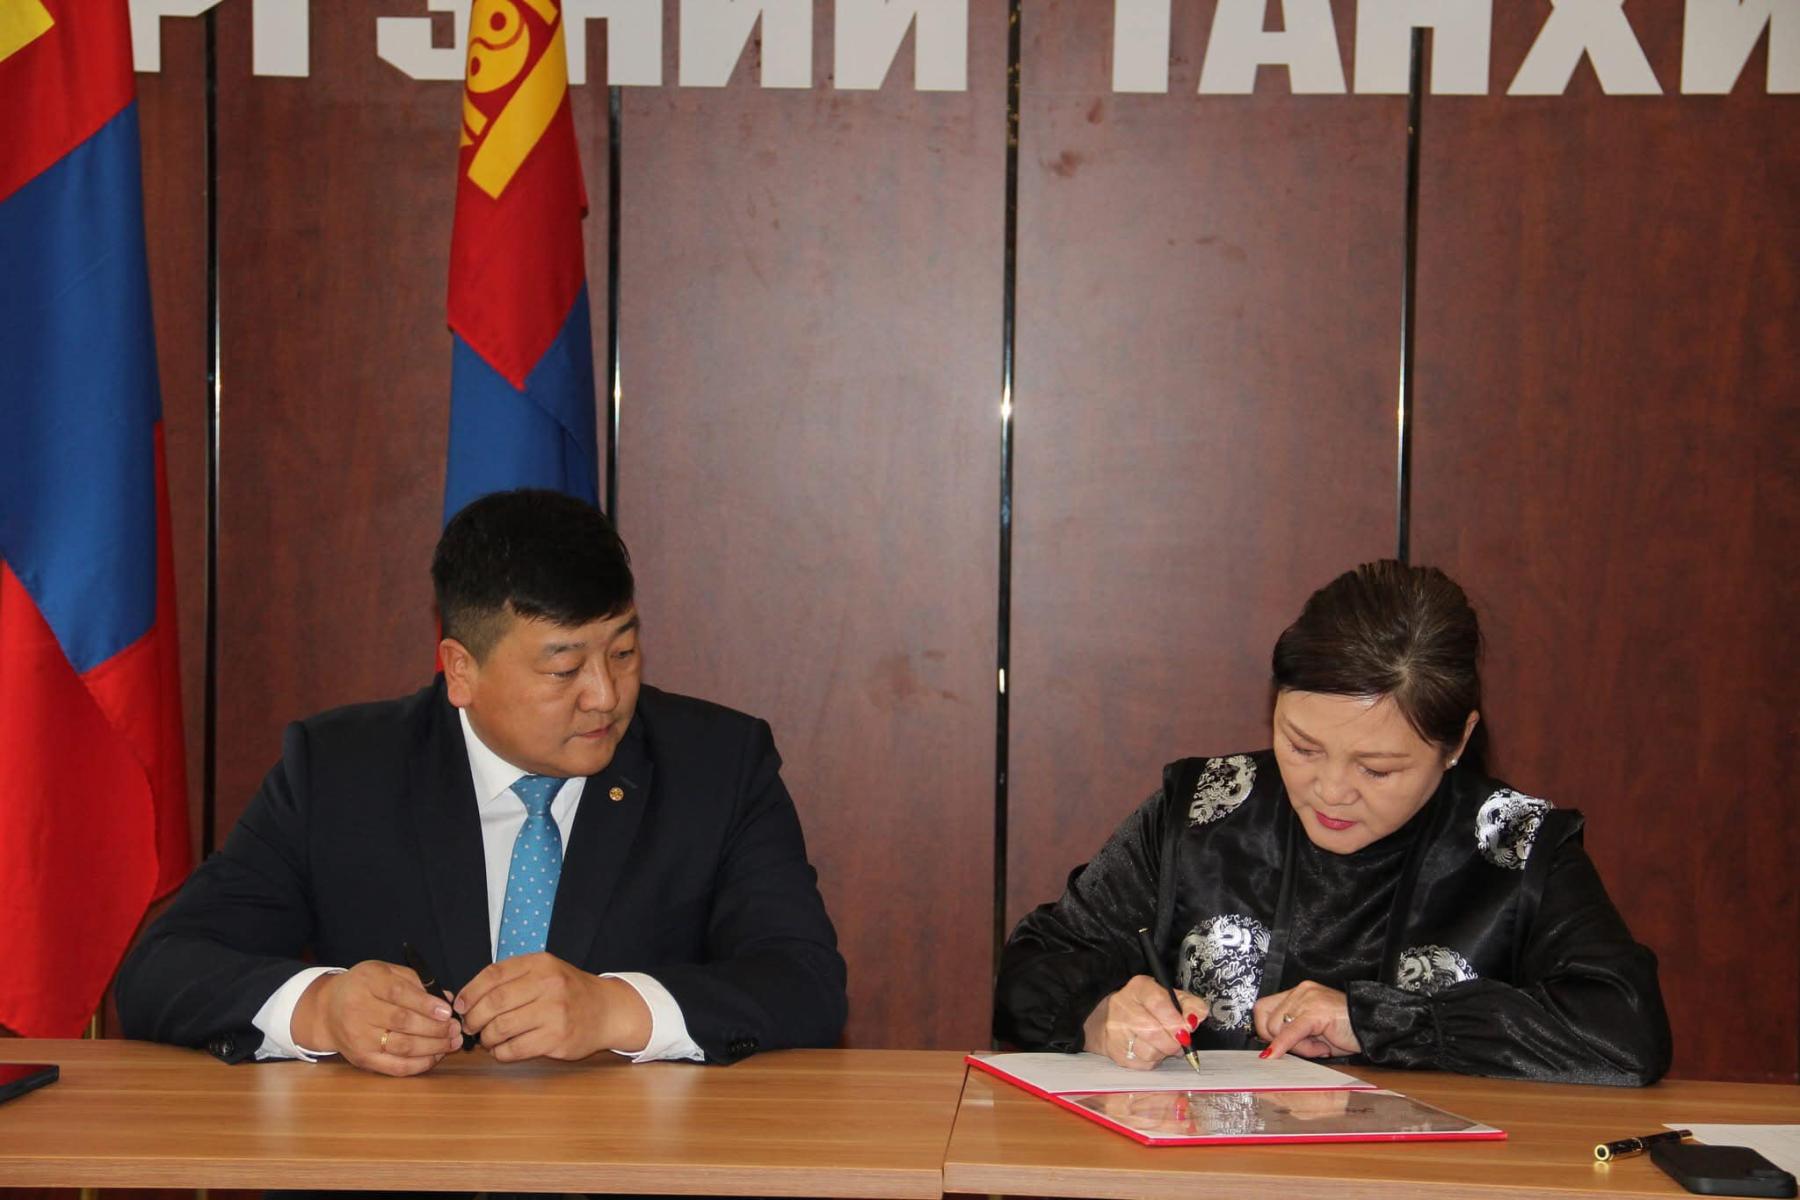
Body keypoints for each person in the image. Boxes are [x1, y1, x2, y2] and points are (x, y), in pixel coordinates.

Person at [118, 489, 847, 1075]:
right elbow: (162, 971)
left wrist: (617, 1010)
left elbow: (806, 982)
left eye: (623, 653)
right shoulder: (340, 770)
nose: (605, 695)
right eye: (564, 669)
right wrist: (323, 1009)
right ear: (460, 670)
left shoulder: (718, 764)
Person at [994, 560, 1671, 1086]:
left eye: (1376, 769)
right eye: (1302, 746)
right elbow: (1033, 968)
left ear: (1457, 742)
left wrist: (1378, 1021)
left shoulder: (1516, 844)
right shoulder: (1205, 808)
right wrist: (1098, 1016)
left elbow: (1624, 1033)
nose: (1331, 790)